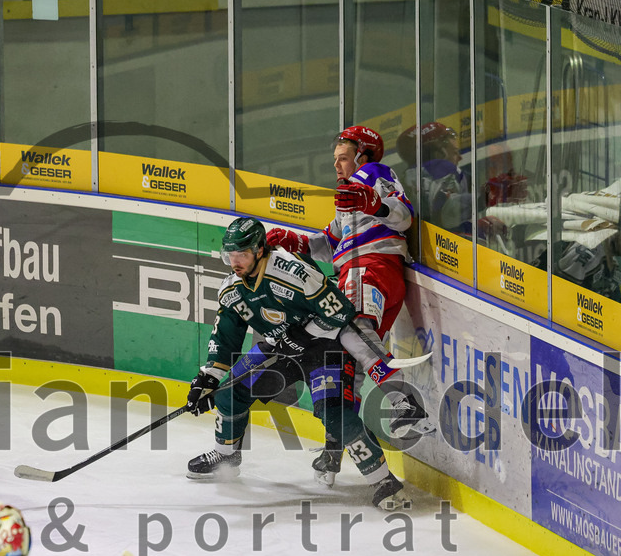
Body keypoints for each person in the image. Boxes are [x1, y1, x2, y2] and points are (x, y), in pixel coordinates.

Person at [186, 216, 411, 511]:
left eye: (241, 254)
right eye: (231, 255)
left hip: (325, 348)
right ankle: (226, 454)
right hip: (281, 347)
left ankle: (384, 481)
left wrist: (303, 334)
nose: (235, 262)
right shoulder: (233, 290)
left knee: (333, 413)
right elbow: (225, 339)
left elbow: (339, 310)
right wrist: (208, 379)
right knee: (229, 390)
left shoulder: (292, 271)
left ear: (259, 250)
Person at [266, 126, 435, 480]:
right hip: (360, 271)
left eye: (343, 158)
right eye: (336, 160)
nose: (337, 166)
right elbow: (330, 243)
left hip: (369, 268)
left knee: (353, 333)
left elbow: (403, 216)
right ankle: (333, 449)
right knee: (350, 360)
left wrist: (374, 202)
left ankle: (405, 403)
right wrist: (294, 241)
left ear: (363, 154)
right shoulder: (348, 197)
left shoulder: (373, 174)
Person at [394, 121, 508, 243]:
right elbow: (446, 211)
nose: (460, 157)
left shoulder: (406, 178)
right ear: (439, 152)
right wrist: (486, 196)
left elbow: (435, 217)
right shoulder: (441, 167)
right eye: (454, 152)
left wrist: (478, 225)